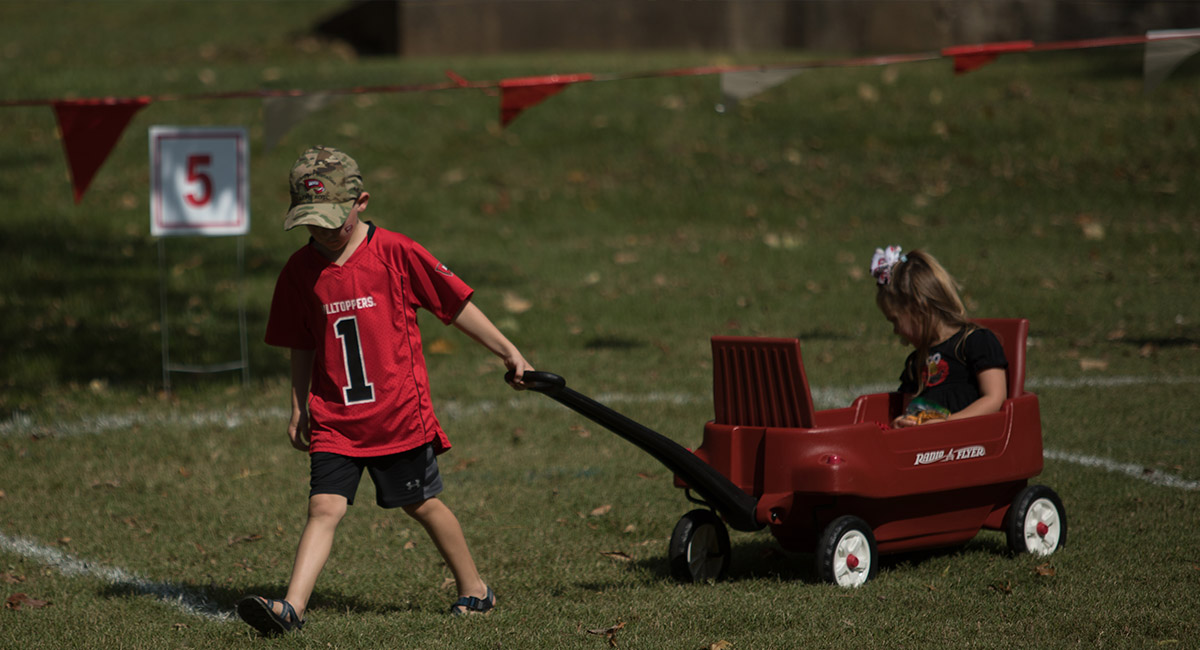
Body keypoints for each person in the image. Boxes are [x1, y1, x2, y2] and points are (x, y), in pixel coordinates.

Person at [237, 145, 533, 636]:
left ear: (362, 202)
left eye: (333, 218)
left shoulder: (396, 252)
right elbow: (300, 344)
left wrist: (507, 350)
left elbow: (453, 305)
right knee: (324, 506)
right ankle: (291, 609)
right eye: (311, 221)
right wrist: (298, 405)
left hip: (397, 414)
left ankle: (475, 588)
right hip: (335, 416)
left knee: (422, 504)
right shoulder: (297, 273)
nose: (323, 230)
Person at [869, 245, 1007, 428]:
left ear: (919, 308)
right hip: (928, 450)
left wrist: (946, 425)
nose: (896, 330)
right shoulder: (915, 363)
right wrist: (905, 423)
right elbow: (908, 411)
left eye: (895, 321)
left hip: (969, 443)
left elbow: (994, 398)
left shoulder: (975, 341)